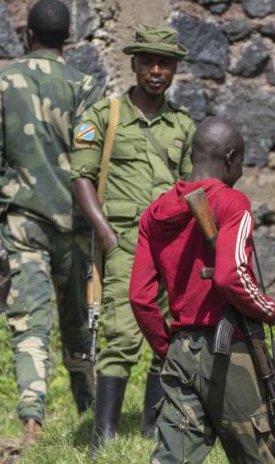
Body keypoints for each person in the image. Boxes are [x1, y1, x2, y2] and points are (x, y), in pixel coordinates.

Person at [0, 0, 102, 444]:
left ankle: (32, 422)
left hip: (22, 225)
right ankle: (93, 415)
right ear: (69, 39)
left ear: (29, 35)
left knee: (29, 323)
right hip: (77, 227)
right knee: (80, 327)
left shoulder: (3, 82)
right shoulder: (86, 87)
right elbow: (92, 159)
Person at [129, 117, 275, 464]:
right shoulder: (233, 203)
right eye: (243, 161)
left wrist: (165, 348)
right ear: (231, 157)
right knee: (262, 454)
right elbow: (231, 277)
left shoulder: (153, 215)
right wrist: (268, 308)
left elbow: (140, 298)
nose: (243, 171)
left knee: (173, 457)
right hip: (229, 350)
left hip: (180, 350)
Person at [71, 24, 196, 446]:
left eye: (164, 63)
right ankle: (102, 437)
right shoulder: (104, 117)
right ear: (134, 65)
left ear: (174, 69)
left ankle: (152, 426)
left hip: (173, 246)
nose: (156, 71)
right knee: (122, 334)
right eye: (148, 62)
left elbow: (192, 187)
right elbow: (81, 179)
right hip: (125, 240)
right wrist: (106, 236)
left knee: (169, 334)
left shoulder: (183, 124)